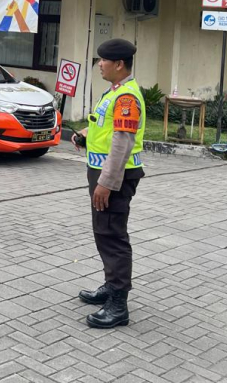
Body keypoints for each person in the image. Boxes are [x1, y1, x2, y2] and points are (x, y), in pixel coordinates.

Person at [70, 38, 145, 328]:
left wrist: (106, 183)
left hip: (115, 177)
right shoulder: (115, 92)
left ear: (119, 64)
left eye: (103, 60)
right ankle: (110, 285)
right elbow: (105, 127)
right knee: (104, 232)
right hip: (104, 173)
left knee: (112, 236)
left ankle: (118, 304)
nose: (99, 64)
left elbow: (122, 143)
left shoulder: (126, 98)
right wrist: (85, 134)